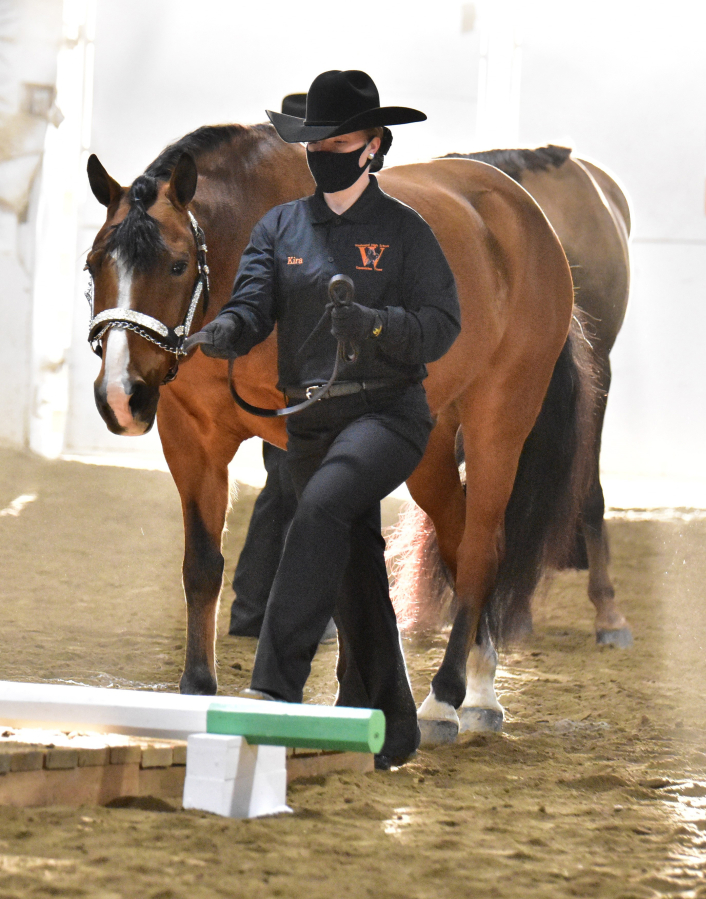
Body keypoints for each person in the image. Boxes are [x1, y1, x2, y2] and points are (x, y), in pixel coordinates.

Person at [188, 69, 461, 767]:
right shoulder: (277, 228)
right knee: (355, 571)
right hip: (307, 417)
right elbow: (252, 303)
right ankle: (396, 727)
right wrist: (228, 330)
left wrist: (374, 325)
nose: (325, 151)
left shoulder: (407, 233)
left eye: (340, 139)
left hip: (387, 415)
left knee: (320, 509)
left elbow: (441, 325)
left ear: (374, 146)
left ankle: (274, 687)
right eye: (316, 140)